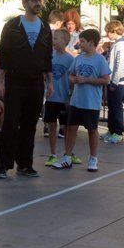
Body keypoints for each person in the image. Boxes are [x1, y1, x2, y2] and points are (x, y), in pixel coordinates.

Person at [0, 0, 53, 179]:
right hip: (15, 81)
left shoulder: (45, 27)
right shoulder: (12, 26)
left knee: (30, 125)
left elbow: (47, 57)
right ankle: (3, 165)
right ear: (25, 3)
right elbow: (3, 55)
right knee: (10, 123)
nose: (38, 3)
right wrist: (1, 82)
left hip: (36, 82)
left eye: (39, 0)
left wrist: (49, 82)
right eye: (34, 0)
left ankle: (25, 164)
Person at [52, 29, 111, 173]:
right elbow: (71, 74)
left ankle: (93, 158)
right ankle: (67, 156)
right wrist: (73, 79)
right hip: (76, 101)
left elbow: (106, 79)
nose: (79, 44)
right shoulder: (78, 58)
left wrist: (86, 80)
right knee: (71, 128)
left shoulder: (100, 60)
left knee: (92, 129)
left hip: (91, 102)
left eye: (82, 41)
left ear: (91, 42)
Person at [44, 30, 75, 167]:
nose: (54, 41)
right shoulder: (50, 57)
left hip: (64, 99)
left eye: (56, 38)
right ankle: (53, 154)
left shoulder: (70, 59)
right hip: (51, 98)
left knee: (67, 127)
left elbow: (73, 79)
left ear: (65, 41)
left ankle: (68, 153)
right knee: (51, 125)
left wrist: (70, 96)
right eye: (53, 38)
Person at [102, 21, 124, 144]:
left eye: (108, 32)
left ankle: (118, 132)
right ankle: (111, 130)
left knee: (116, 107)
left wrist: (114, 82)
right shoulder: (116, 44)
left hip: (117, 81)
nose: (107, 34)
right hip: (112, 80)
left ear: (114, 31)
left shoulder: (121, 46)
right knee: (111, 107)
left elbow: (119, 65)